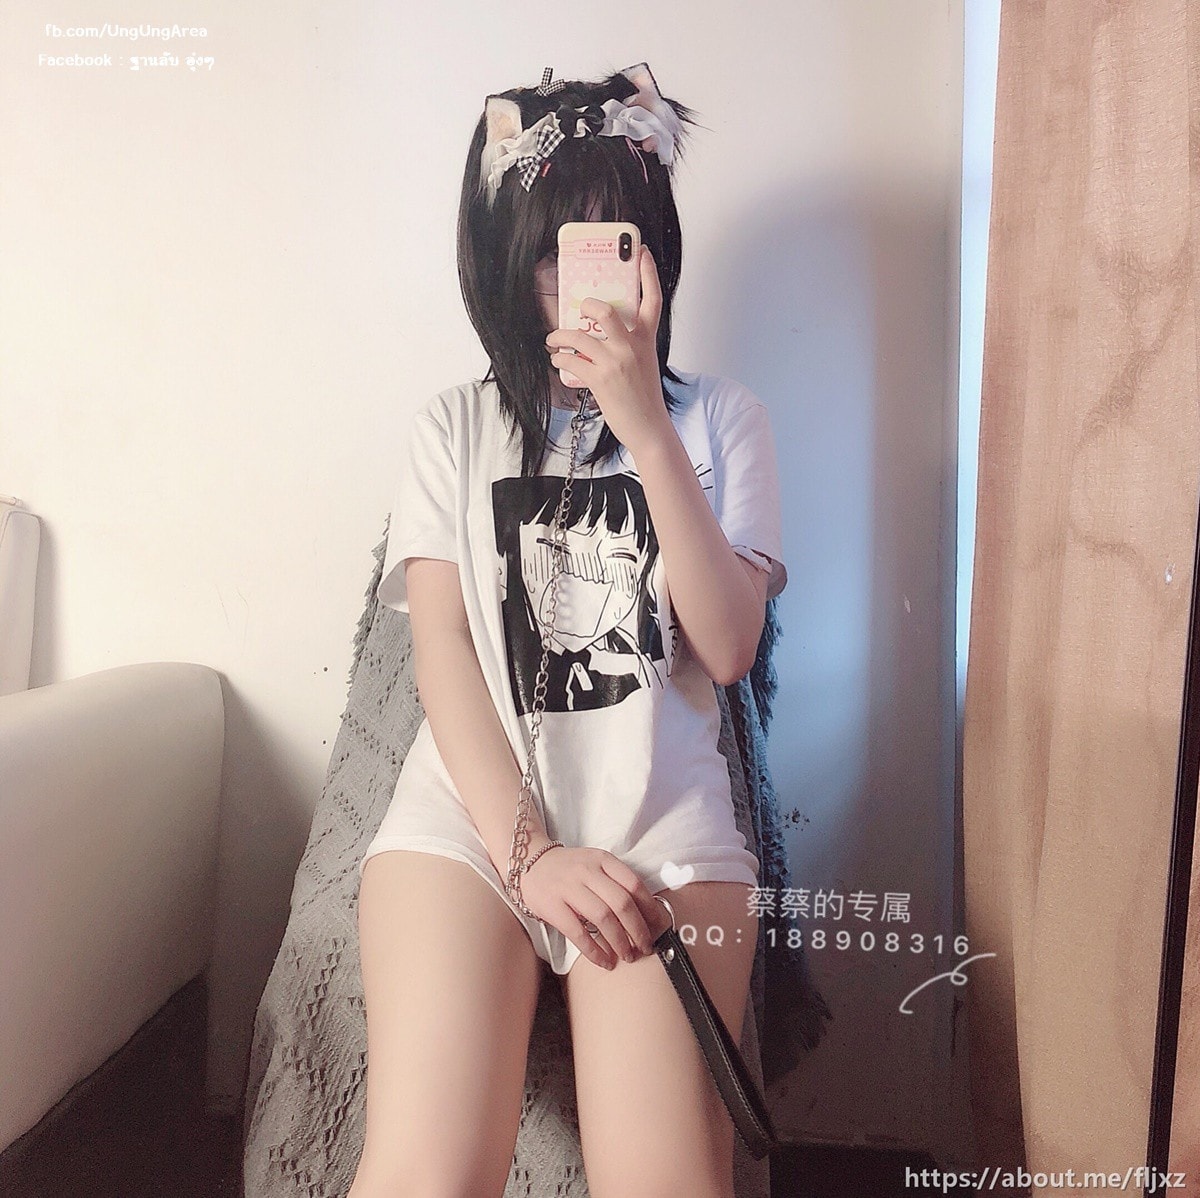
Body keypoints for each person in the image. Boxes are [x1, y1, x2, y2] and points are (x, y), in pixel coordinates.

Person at [350, 62, 788, 1198]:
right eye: (555, 251)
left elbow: (728, 646)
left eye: (613, 243)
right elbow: (444, 651)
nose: (584, 282)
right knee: (424, 1176)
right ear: (506, 262)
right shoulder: (454, 427)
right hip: (470, 830)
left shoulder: (722, 420)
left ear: (654, 252)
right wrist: (530, 856)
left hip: (663, 837)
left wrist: (647, 428)